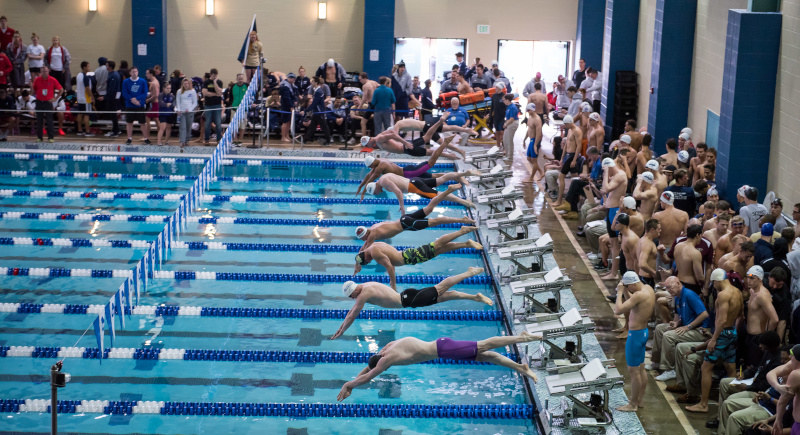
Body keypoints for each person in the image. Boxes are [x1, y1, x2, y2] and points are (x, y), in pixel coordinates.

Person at [337, 331, 540, 401]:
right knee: (487, 356)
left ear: (383, 364)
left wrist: (349, 385)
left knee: (484, 345)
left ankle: (521, 338)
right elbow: (368, 369)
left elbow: (369, 376)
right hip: (442, 345)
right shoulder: (387, 349)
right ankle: (520, 368)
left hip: (444, 349)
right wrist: (353, 380)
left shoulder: (385, 361)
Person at [332, 267, 493, 339]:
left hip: (409, 299)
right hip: (407, 298)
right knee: (445, 296)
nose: (353, 299)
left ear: (353, 291)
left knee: (442, 288)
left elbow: (353, 314)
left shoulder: (364, 294)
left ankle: (468, 272)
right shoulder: (364, 286)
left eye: (351, 296)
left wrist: (342, 331)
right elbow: (351, 311)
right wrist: (341, 326)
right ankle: (475, 297)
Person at [685, 269, 744, 414]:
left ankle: (703, 404)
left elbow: (722, 320)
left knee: (706, 368)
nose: (713, 286)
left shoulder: (723, 295)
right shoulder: (737, 292)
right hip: (732, 332)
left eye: (713, 283)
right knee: (730, 367)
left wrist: (714, 339)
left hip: (722, 333)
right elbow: (741, 315)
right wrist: (733, 333)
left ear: (717, 280)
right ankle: (727, 401)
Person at [353, 226, 482, 290]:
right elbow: (360, 252)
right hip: (408, 256)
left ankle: (461, 231)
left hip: (409, 257)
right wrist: (356, 267)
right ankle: (466, 243)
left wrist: (393, 286)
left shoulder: (374, 253)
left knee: (436, 245)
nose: (370, 262)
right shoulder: (370, 247)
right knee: (439, 250)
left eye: (367, 262)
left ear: (366, 258)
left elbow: (390, 267)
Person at [355, 185, 475, 250]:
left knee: (436, 221)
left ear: (365, 234)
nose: (363, 240)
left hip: (406, 224)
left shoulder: (372, 236)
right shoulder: (373, 227)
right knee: (429, 208)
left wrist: (358, 261)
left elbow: (364, 250)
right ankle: (448, 191)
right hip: (404, 219)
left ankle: (463, 221)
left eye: (363, 238)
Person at [612, 272, 655, 411]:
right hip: (643, 333)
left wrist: (619, 293)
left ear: (632, 284)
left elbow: (618, 310)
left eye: (627, 286)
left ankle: (632, 404)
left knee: (634, 372)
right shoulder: (648, 289)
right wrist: (625, 289)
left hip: (635, 336)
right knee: (641, 368)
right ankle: (640, 400)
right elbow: (633, 302)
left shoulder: (639, 295)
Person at [364, 174, 475, 212]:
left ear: (374, 189)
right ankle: (462, 175)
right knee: (441, 180)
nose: (377, 194)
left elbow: (398, 191)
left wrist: (402, 206)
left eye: (375, 193)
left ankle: (464, 201)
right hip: (414, 181)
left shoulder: (383, 182)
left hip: (414, 187)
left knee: (439, 196)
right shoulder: (383, 178)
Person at [552, 115, 583, 207]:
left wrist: (574, 160)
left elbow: (579, 146)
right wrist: (562, 157)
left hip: (572, 156)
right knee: (575, 179)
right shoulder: (569, 130)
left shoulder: (577, 131)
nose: (565, 126)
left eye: (565, 124)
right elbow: (566, 145)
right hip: (568, 156)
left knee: (561, 176)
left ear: (569, 122)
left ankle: (559, 199)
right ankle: (577, 200)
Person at [653, 191, 690, 268]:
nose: (660, 202)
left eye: (661, 200)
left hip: (663, 249)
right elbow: (687, 234)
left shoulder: (657, 216)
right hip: (677, 249)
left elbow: (653, 234)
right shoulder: (684, 214)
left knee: (662, 276)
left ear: (664, 201)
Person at [30, 65, 61, 143]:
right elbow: (34, 90)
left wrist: (55, 98)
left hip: (48, 102)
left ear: (48, 71)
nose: (45, 73)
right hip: (39, 102)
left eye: (46, 71)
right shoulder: (37, 80)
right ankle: (39, 137)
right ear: (41, 72)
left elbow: (61, 90)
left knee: (49, 120)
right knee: (39, 121)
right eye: (43, 71)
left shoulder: (53, 80)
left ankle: (51, 137)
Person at [122, 67, 150, 145]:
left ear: (138, 72)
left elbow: (145, 93)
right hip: (129, 105)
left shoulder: (142, 81)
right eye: (133, 72)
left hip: (139, 105)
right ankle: (129, 138)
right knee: (129, 122)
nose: (135, 73)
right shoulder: (126, 82)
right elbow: (124, 93)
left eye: (136, 71)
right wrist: (132, 100)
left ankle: (146, 138)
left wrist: (137, 99)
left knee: (142, 123)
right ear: (130, 73)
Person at [302, 76, 332, 146]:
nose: (311, 82)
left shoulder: (318, 91)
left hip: (319, 112)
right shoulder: (317, 91)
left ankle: (328, 140)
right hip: (316, 112)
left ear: (316, 83)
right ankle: (306, 139)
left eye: (312, 81)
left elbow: (314, 103)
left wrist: (307, 110)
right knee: (312, 127)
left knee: (324, 127)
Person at [201, 68, 223, 145]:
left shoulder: (219, 82)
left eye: (216, 75)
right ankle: (207, 139)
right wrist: (215, 94)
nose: (214, 77)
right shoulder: (206, 82)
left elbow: (219, 92)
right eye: (213, 75)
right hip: (208, 105)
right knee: (207, 123)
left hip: (217, 105)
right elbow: (205, 93)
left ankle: (218, 140)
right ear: (211, 74)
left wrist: (215, 83)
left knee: (218, 123)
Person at [523, 103, 543, 185]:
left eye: (528, 110)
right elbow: (529, 130)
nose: (527, 112)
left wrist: (535, 144)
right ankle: (541, 171)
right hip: (531, 140)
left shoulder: (537, 119)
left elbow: (539, 133)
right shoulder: (530, 118)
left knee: (534, 160)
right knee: (529, 158)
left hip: (535, 140)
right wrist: (524, 139)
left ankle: (531, 178)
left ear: (532, 110)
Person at [175, 78, 197, 147]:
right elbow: (178, 101)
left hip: (189, 112)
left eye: (187, 83)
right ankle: (182, 141)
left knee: (188, 126)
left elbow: (195, 103)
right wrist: (178, 109)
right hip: (182, 112)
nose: (186, 85)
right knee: (182, 127)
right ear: (182, 84)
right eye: (185, 84)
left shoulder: (192, 91)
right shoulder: (179, 91)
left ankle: (187, 140)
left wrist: (190, 109)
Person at [74, 61, 93, 137]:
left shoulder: (79, 75)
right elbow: (87, 88)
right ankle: (87, 131)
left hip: (80, 98)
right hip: (86, 99)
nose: (89, 68)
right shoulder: (86, 76)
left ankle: (80, 130)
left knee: (80, 114)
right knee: (86, 115)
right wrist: (92, 97)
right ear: (84, 67)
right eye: (88, 66)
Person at [103, 60, 122, 137]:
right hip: (113, 97)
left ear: (110, 67)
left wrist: (105, 97)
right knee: (112, 114)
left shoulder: (114, 75)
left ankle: (116, 131)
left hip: (112, 98)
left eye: (107, 65)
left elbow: (112, 89)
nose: (106, 67)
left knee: (113, 114)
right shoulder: (113, 74)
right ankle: (115, 129)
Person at [230, 73, 248, 144]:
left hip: (244, 109)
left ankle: (240, 140)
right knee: (234, 125)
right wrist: (231, 104)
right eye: (239, 79)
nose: (240, 80)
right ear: (237, 79)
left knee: (242, 126)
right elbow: (230, 96)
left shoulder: (247, 86)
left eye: (242, 79)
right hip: (234, 108)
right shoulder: (233, 86)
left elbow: (251, 95)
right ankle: (235, 140)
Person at [501, 94, 520, 161]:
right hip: (509, 123)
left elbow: (512, 118)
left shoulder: (512, 107)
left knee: (509, 140)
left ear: (507, 100)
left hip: (512, 123)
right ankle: (507, 154)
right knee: (505, 139)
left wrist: (506, 124)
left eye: (504, 100)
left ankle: (510, 157)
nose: (503, 102)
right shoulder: (508, 106)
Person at [490, 81, 506, 151]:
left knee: (502, 132)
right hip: (496, 116)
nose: (495, 88)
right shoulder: (494, 96)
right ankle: (498, 146)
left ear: (500, 88)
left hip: (502, 116)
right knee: (497, 132)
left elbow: (506, 107)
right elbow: (492, 107)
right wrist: (490, 115)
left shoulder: (504, 96)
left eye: (496, 87)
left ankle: (504, 146)